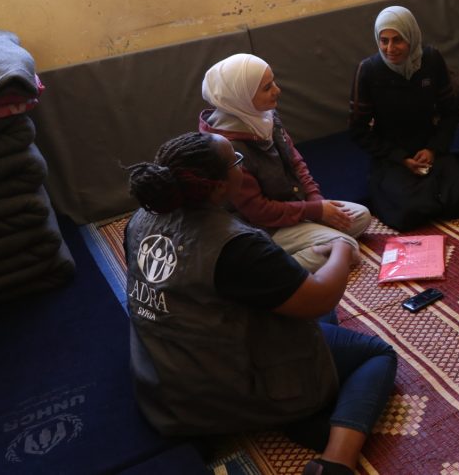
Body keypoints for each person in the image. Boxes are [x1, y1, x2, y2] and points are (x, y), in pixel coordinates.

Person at [125, 132, 397, 475]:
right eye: (236, 163)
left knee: (314, 311)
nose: (241, 166)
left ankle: (301, 413)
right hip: (221, 382)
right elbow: (320, 298)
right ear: (220, 186)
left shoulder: (140, 219)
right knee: (375, 354)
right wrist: (341, 249)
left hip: (162, 374)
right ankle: (335, 461)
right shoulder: (236, 245)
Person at [201, 54, 371, 272]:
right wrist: (315, 211)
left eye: (273, 81)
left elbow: (296, 161)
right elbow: (258, 211)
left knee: (361, 216)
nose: (277, 90)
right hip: (265, 227)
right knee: (346, 247)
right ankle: (270, 271)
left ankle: (310, 240)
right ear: (241, 96)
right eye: (267, 87)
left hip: (294, 205)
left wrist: (316, 202)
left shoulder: (264, 116)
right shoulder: (229, 148)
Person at [349, 6, 459, 231]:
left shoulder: (431, 60)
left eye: (397, 40)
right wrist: (400, 158)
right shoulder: (368, 71)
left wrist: (433, 149)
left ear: (411, 37)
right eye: (384, 41)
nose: (390, 49)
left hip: (429, 147)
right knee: (410, 212)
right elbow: (358, 130)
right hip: (391, 152)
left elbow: (450, 111)